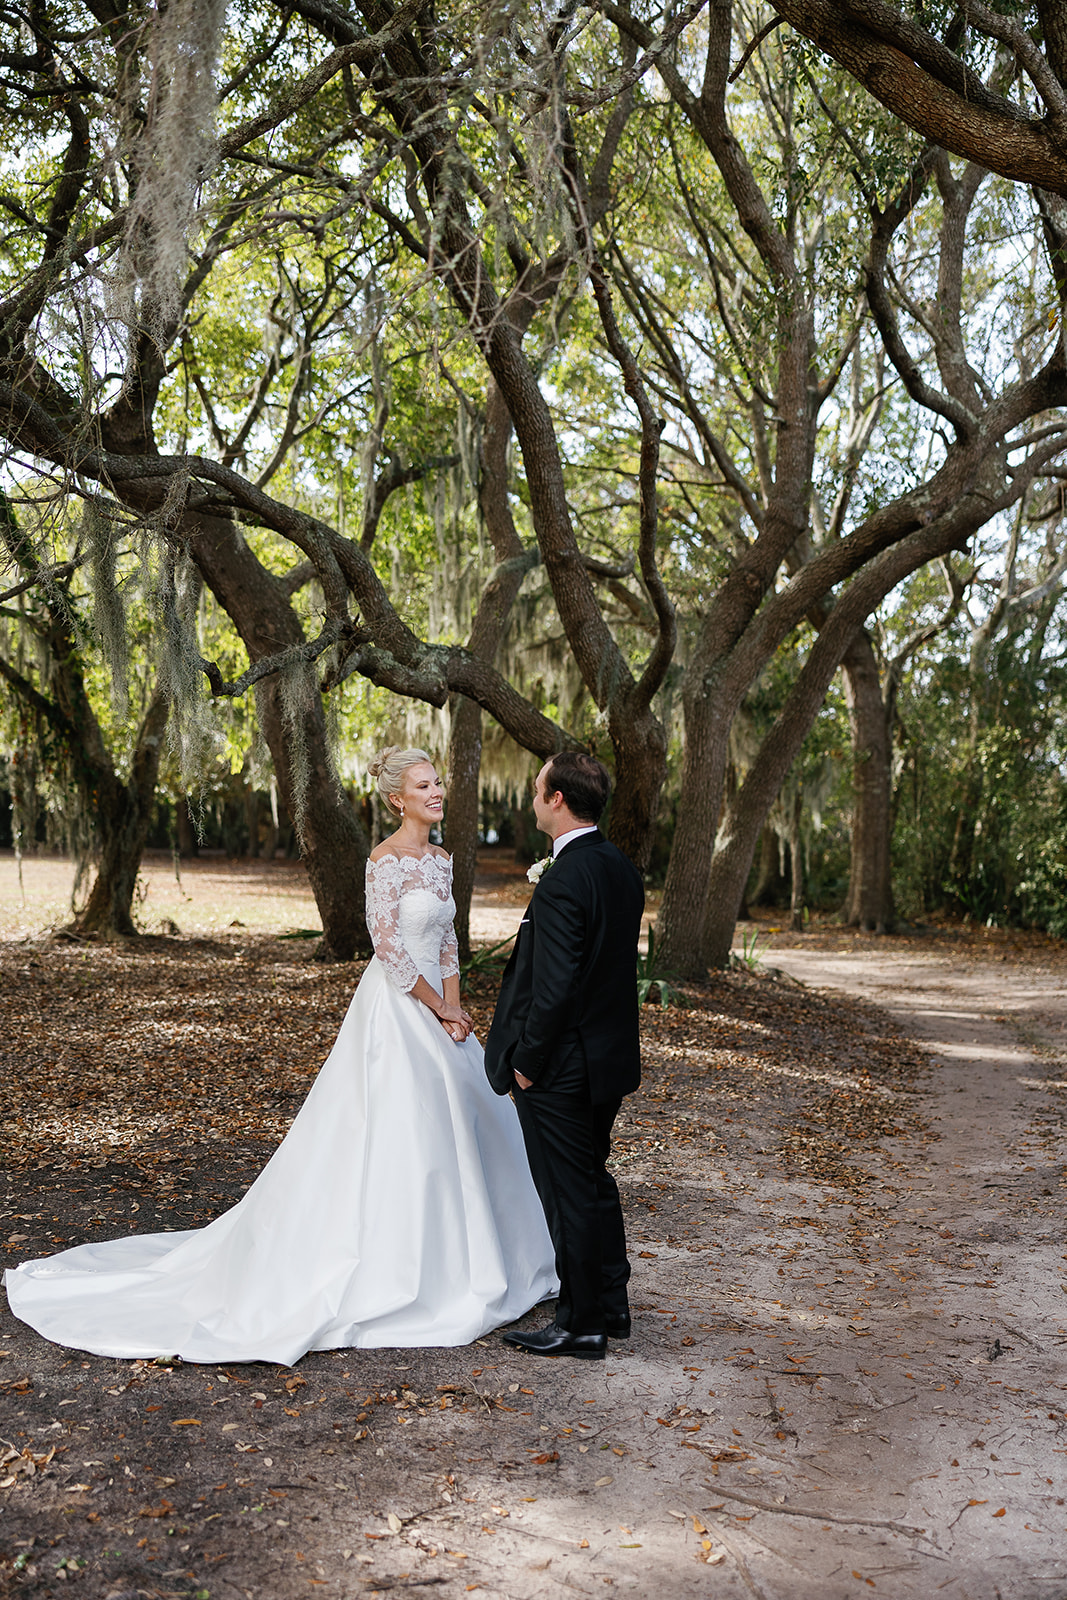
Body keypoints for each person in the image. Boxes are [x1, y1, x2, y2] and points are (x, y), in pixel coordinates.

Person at [4, 748, 557, 1364]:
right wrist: (437, 1007)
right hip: (400, 1009)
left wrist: (456, 1005)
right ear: (397, 798)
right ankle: (403, 1265)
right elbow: (389, 949)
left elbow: (447, 940)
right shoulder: (384, 861)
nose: (436, 792)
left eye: (437, 783)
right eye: (423, 785)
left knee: (468, 1120)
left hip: (442, 1012)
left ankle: (478, 1253)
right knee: (405, 1128)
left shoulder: (442, 860)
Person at [485, 752, 644, 1361]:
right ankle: (611, 1304)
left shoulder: (563, 881)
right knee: (593, 1183)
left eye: (536, 788)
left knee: (568, 1194)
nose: (531, 796)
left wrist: (526, 1063)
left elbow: (554, 991)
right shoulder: (619, 869)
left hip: (560, 1068)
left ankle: (580, 1324)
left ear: (557, 800)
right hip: (606, 1062)